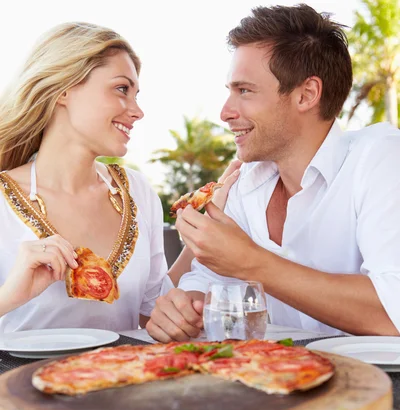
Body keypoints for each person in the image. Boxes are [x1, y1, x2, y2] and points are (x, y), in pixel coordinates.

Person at [146, 3, 400, 343]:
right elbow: (207, 284)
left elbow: (392, 312)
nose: (225, 112)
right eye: (230, 91)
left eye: (245, 91)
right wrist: (185, 309)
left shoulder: (382, 157)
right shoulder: (242, 183)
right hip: (275, 381)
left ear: (306, 94)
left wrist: (252, 263)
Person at [0, 21, 239, 334]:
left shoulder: (137, 192)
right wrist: (8, 298)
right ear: (63, 90)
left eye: (136, 94)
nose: (137, 111)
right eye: (122, 89)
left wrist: (203, 228)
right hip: (15, 382)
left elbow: (155, 309)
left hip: (123, 377)